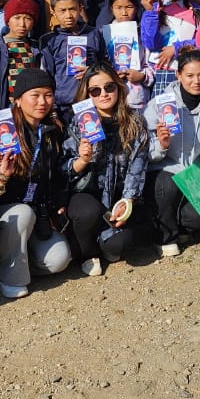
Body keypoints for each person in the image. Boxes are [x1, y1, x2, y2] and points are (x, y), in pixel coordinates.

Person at [0, 68, 73, 299]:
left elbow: (57, 175)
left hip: (37, 212)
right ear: (17, 100)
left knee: (59, 260)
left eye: (48, 95)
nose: (42, 102)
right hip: (1, 212)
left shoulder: (52, 131)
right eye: (34, 95)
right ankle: (9, 276)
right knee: (22, 213)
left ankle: (14, 261)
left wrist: (58, 202)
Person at [65, 63, 151, 276]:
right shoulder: (78, 122)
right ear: (88, 94)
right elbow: (64, 169)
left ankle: (103, 240)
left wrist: (128, 201)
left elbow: (137, 167)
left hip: (116, 197)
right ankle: (88, 252)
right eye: (95, 90)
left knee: (119, 245)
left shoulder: (135, 121)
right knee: (88, 213)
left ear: (119, 88)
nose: (103, 94)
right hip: (84, 193)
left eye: (109, 87)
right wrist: (82, 160)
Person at [144, 49, 200, 257]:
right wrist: (162, 145)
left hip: (193, 173)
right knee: (168, 184)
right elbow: (143, 150)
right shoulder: (159, 105)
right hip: (163, 170)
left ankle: (181, 227)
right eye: (190, 75)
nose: (196, 81)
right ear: (179, 75)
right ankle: (164, 236)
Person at [0, 0, 53, 116]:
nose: (22, 24)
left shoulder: (37, 48)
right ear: (8, 20)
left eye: (28, 18)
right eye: (17, 18)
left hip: (33, 109)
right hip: (7, 109)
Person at [140, 0, 200, 97]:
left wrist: (176, 48)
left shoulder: (195, 11)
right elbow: (150, 43)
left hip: (187, 72)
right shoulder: (155, 9)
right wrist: (151, 12)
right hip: (160, 73)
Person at [43, 0, 106, 107]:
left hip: (93, 101)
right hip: (63, 104)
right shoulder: (50, 40)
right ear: (52, 11)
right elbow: (47, 76)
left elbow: (106, 64)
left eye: (72, 9)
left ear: (80, 8)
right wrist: (52, 108)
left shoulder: (94, 34)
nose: (68, 15)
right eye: (62, 10)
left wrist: (93, 70)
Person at [101, 0, 152, 109]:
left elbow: (151, 62)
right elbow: (99, 64)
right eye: (118, 7)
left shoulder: (143, 33)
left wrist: (143, 76)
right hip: (110, 100)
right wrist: (110, 74)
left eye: (129, 7)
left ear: (136, 7)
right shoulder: (104, 33)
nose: (124, 12)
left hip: (136, 98)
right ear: (111, 8)